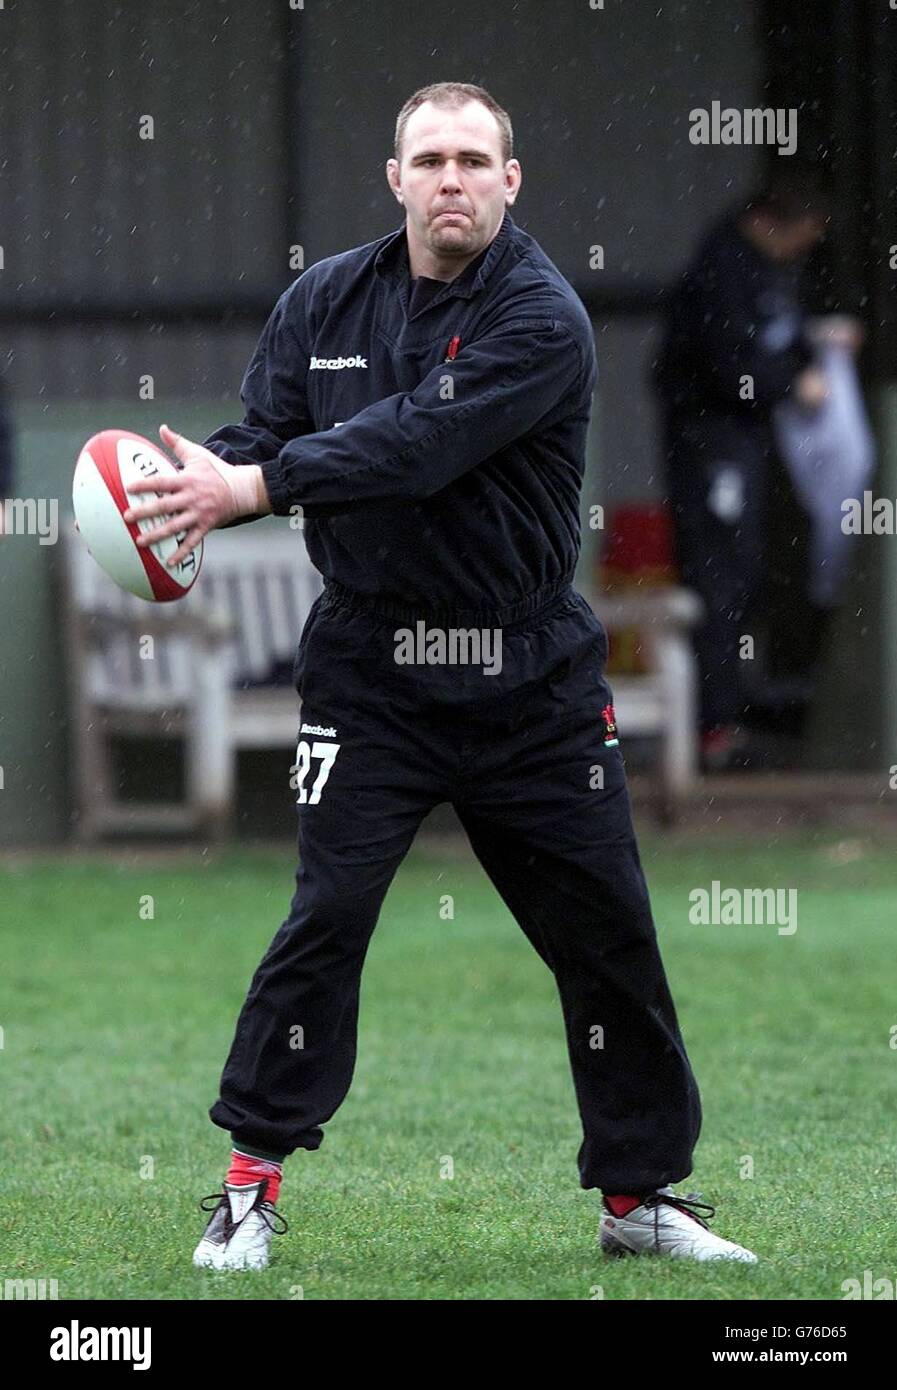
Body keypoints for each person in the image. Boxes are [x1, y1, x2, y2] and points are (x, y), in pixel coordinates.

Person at [125, 81, 756, 1270]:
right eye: (431, 158)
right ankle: (248, 1191)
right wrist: (181, 491)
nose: (452, 178)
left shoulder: (544, 316)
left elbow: (419, 439)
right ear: (396, 177)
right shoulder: (324, 300)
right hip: (371, 672)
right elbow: (262, 433)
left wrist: (252, 490)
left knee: (607, 931)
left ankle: (639, 1200)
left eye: (475, 159)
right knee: (326, 918)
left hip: (530, 678)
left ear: (511, 182)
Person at [654, 164, 831, 769]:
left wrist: (815, 346)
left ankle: (724, 717)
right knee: (717, 575)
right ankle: (711, 727)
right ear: (769, 222)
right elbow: (730, 369)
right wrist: (790, 384)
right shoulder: (721, 270)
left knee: (742, 569)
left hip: (742, 447)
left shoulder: (766, 272)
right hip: (711, 446)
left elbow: (783, 338)